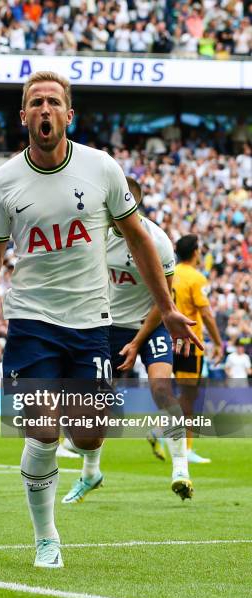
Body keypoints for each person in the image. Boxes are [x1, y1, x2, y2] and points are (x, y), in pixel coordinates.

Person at [0, 71, 201, 569]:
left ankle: (85, 465)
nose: (44, 109)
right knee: (41, 429)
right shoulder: (2, 182)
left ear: (68, 115)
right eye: (35, 102)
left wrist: (166, 307)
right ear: (23, 116)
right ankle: (47, 538)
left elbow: (140, 239)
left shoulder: (102, 168)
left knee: (87, 435)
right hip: (33, 319)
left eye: (53, 102)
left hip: (90, 323)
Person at [62, 178, 193, 504]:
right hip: (106, 327)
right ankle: (91, 473)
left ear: (133, 205)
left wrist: (137, 341)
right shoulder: (97, 235)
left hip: (149, 327)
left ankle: (181, 469)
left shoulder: (158, 242)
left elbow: (164, 299)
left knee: (161, 389)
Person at [171, 234, 223, 464]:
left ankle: (165, 432)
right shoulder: (196, 278)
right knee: (188, 399)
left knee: (175, 395)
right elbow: (207, 314)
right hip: (191, 344)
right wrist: (218, 342)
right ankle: (185, 448)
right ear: (195, 251)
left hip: (171, 340)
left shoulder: (171, 273)